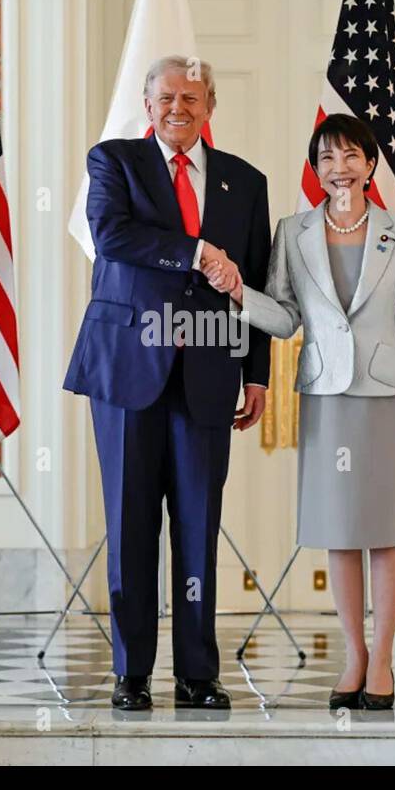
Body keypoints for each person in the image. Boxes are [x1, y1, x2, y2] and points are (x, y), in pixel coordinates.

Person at [207, 113, 395, 711]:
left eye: (351, 155)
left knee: (386, 534)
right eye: (327, 157)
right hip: (328, 398)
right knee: (339, 532)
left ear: (370, 164)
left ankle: (384, 659)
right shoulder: (294, 231)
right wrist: (237, 290)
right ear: (315, 167)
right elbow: (285, 318)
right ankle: (354, 655)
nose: (339, 167)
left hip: (389, 398)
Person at [64, 55, 271, 711]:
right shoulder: (114, 162)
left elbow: (256, 284)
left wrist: (258, 372)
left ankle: (197, 674)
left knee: (197, 524)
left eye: (192, 97)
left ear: (210, 107)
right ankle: (131, 674)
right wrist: (197, 252)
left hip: (209, 372)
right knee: (129, 525)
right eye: (166, 98)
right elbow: (110, 234)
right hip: (127, 369)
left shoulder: (245, 181)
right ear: (147, 105)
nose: (178, 108)